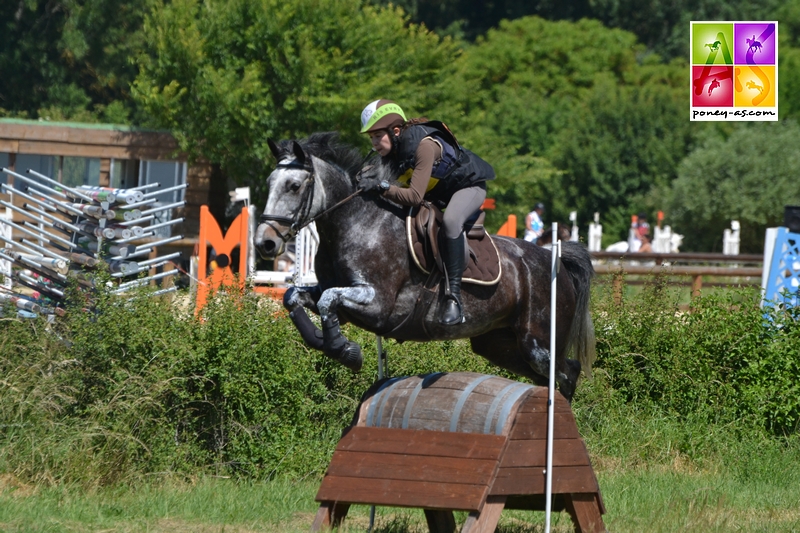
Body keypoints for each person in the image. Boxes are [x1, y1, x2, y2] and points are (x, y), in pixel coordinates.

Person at [357, 99, 496, 326]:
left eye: (377, 135)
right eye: (370, 137)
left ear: (395, 131)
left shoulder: (424, 146)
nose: (374, 143)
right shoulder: (392, 153)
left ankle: (454, 299)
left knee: (451, 222)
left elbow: (414, 196)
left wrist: (381, 187)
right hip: (438, 194)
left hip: (467, 187)